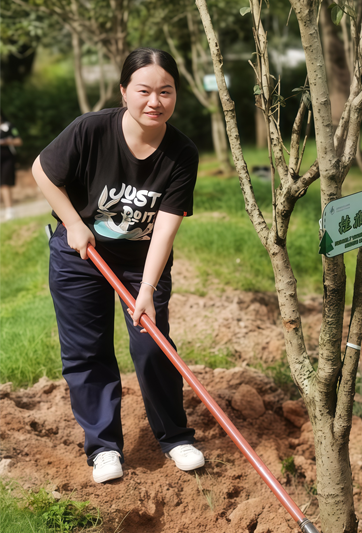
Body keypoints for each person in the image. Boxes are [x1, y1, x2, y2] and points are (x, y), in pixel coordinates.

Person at [32, 48, 204, 484]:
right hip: (81, 255)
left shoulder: (181, 153)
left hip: (140, 262)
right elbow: (42, 171)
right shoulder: (91, 129)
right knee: (87, 352)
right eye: (144, 90)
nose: (155, 101)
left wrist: (146, 288)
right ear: (125, 91)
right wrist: (72, 222)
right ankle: (104, 448)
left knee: (153, 345)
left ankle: (175, 437)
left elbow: (164, 229)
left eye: (166, 92)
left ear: (176, 96)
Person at [0, 110, 23, 221]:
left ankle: (9, 210)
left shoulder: (8, 127)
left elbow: (19, 141)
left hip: (7, 159)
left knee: (5, 183)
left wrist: (8, 141)